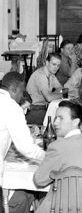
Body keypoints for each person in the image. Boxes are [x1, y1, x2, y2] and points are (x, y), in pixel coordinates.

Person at [0, 72, 45, 213]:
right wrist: (49, 156)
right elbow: (27, 148)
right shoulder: (11, 107)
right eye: (22, 91)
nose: (22, 96)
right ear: (14, 89)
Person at [26, 53, 62, 125]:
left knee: (62, 116)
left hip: (42, 108)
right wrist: (61, 95)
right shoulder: (41, 75)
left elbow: (61, 88)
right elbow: (48, 98)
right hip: (33, 110)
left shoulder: (51, 74)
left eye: (58, 65)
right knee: (59, 120)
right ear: (47, 62)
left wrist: (52, 95)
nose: (56, 68)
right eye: (54, 64)